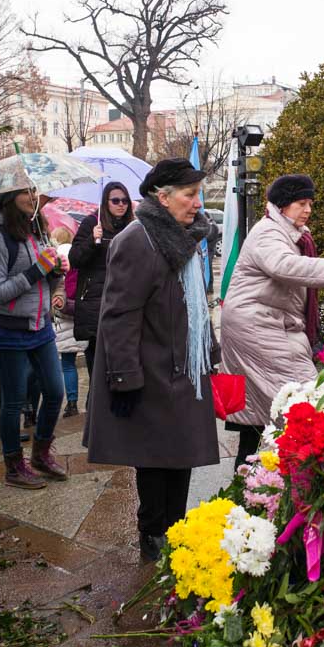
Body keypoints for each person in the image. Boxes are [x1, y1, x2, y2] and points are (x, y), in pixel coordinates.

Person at [85, 159, 219, 562]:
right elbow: (119, 314)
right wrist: (124, 376)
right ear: (162, 197)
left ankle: (175, 528)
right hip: (154, 367)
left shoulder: (188, 236)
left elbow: (197, 304)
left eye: (198, 193)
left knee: (184, 455)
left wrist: (208, 350)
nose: (197, 203)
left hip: (185, 368)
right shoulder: (137, 240)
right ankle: (153, 535)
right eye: (189, 194)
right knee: (155, 458)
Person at [221, 174, 324, 466]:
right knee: (306, 400)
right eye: (302, 203)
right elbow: (284, 265)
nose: (308, 209)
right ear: (283, 205)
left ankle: (251, 481)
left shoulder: (288, 233)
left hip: (268, 324)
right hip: (257, 327)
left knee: (260, 416)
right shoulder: (268, 233)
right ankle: (269, 481)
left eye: (310, 203)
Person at [0, 182, 68, 489]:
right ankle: (14, 466)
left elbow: (43, 282)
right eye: (24, 191)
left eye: (34, 189)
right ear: (8, 197)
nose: (33, 196)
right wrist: (37, 270)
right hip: (9, 330)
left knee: (55, 393)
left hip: (40, 326)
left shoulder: (35, 227)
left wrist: (56, 271)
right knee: (14, 403)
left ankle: (41, 455)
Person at [70, 180, 134, 379]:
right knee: (98, 366)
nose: (121, 204)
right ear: (105, 203)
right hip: (96, 303)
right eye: (115, 200)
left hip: (123, 302)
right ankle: (94, 406)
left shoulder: (132, 227)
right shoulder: (92, 223)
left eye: (125, 200)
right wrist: (92, 240)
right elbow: (75, 259)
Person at [50, 226, 84, 417]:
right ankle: (88, 400)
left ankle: (71, 403)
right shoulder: (79, 254)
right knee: (88, 357)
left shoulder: (55, 257)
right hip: (80, 314)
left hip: (62, 319)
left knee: (68, 364)